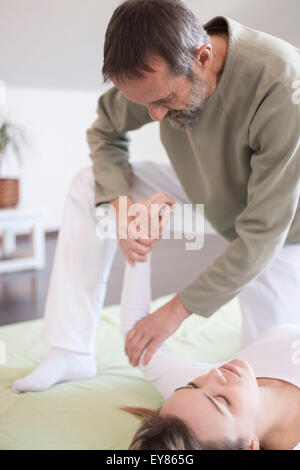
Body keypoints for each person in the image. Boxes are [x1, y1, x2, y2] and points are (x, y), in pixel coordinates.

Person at [12, 0, 300, 393]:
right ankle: (71, 349)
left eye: (164, 100)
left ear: (203, 58)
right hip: (203, 187)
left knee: (268, 377)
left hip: (282, 229)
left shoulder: (282, 85)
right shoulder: (154, 74)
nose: (156, 115)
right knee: (87, 183)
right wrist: (120, 208)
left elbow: (262, 233)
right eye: (144, 104)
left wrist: (174, 311)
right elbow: (105, 132)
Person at [119, 253, 300, 451]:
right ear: (250, 445)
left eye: (192, 386)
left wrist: (137, 248)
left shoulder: (196, 410)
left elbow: (137, 336)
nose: (214, 374)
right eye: (222, 400)